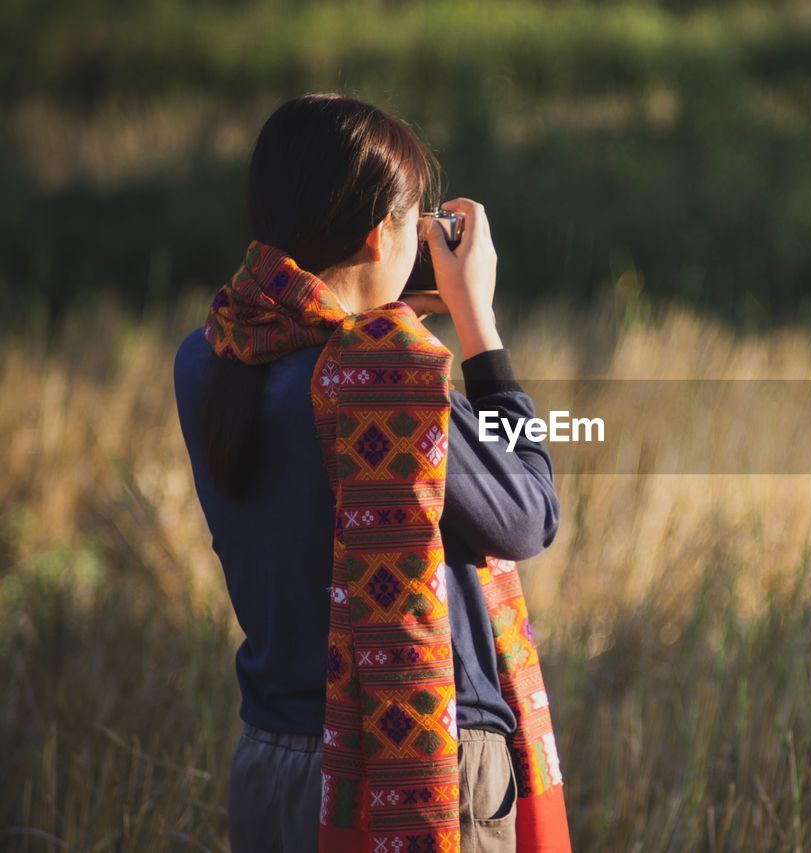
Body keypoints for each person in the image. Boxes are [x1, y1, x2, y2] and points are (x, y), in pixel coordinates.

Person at [172, 93, 562, 852]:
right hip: (411, 774)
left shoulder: (209, 360)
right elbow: (530, 508)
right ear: (382, 236)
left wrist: (384, 317)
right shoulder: (386, 380)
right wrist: (477, 321)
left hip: (273, 762)